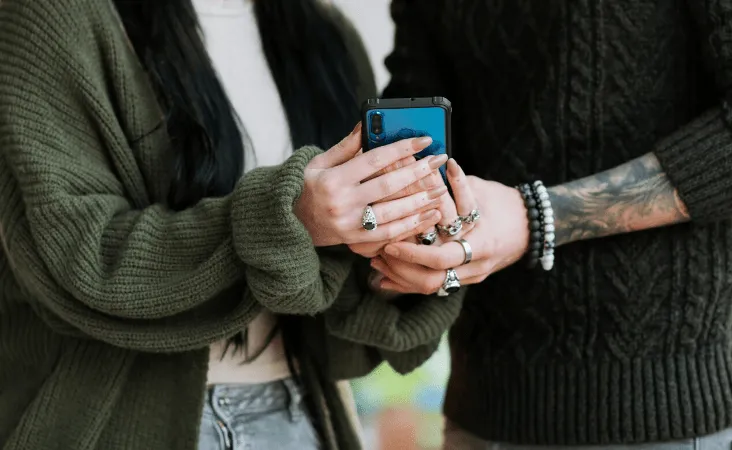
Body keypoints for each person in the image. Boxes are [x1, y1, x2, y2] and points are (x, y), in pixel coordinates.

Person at [0, 0, 465, 449]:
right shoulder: (51, 16)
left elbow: (335, 315)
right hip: (108, 421)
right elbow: (73, 252)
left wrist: (393, 268)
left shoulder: (328, 35)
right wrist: (290, 219)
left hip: (298, 414)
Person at [370, 0, 732, 448]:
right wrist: (397, 238)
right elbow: (418, 115)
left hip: (669, 411)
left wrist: (536, 216)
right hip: (482, 408)